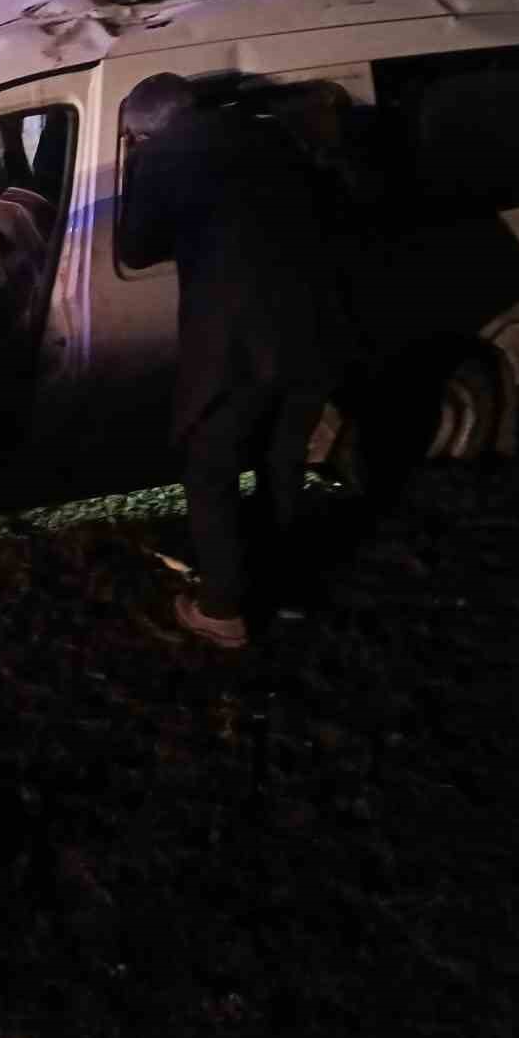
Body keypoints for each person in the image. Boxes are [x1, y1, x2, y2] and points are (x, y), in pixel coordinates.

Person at [119, 72, 350, 649]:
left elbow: (135, 249)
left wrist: (139, 173)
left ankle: (221, 610)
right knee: (283, 464)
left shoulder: (161, 158)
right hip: (318, 329)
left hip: (240, 346)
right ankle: (289, 590)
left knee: (211, 471)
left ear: (144, 133)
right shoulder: (269, 132)